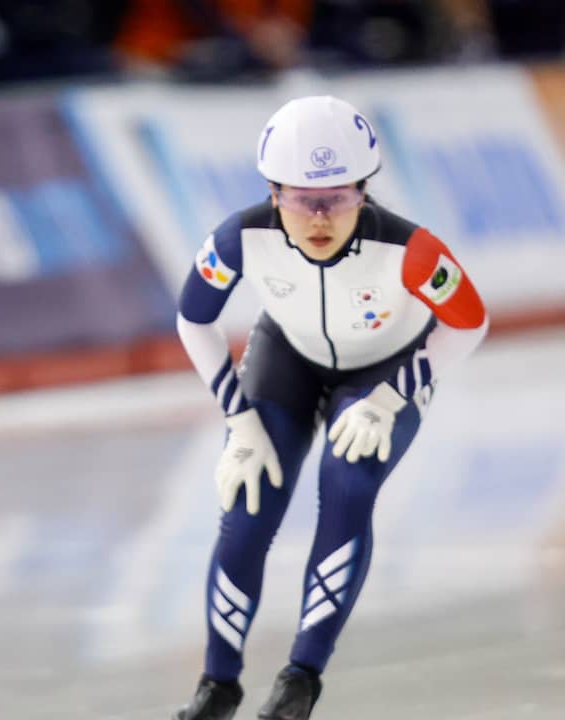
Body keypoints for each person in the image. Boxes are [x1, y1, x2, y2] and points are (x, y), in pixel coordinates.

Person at [171, 95, 488, 720]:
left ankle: (300, 679)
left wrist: (395, 394)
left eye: (337, 199)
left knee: (346, 486)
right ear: (273, 192)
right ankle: (218, 687)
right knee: (248, 504)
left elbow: (469, 322)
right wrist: (237, 419)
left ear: (364, 193)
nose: (319, 218)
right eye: (300, 199)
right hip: (286, 359)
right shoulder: (238, 237)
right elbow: (192, 321)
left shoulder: (413, 250)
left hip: (381, 373)